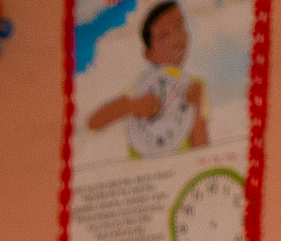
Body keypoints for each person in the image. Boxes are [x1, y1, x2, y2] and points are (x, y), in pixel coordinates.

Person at [86, 1, 209, 158]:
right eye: (165, 37)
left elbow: (203, 151)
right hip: (144, 175)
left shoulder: (195, 87)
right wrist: (133, 106)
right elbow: (93, 123)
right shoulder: (141, 86)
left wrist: (196, 111)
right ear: (148, 54)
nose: (177, 39)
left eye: (180, 27)